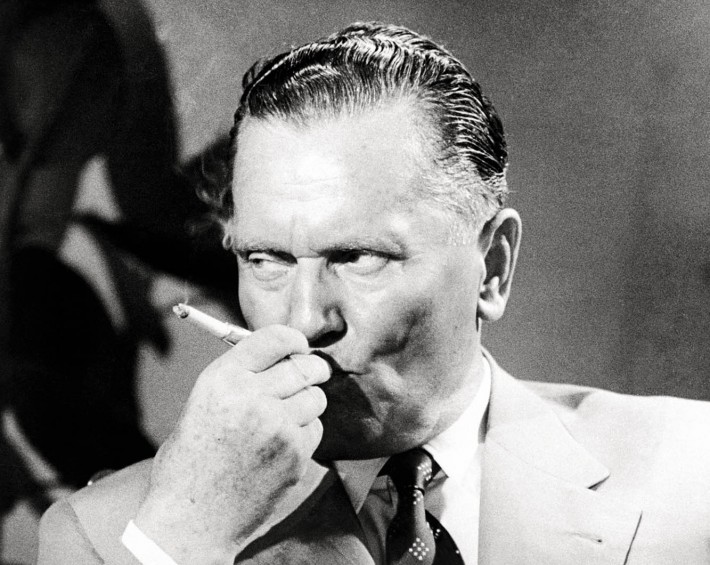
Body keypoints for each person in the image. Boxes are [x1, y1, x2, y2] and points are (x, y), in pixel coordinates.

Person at [37, 22, 710, 564]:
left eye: (358, 257)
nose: (304, 320)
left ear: (493, 266)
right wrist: (184, 541)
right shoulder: (109, 537)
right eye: (266, 259)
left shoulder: (692, 475)